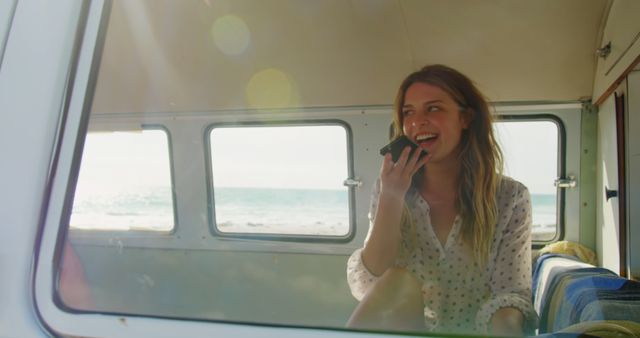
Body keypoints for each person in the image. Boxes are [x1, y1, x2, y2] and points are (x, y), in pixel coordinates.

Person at [346, 64, 537, 336]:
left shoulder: (510, 198)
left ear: (466, 118)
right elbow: (368, 282)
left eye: (433, 108)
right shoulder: (390, 188)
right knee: (398, 281)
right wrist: (392, 195)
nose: (417, 122)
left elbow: (509, 297)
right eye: (407, 112)